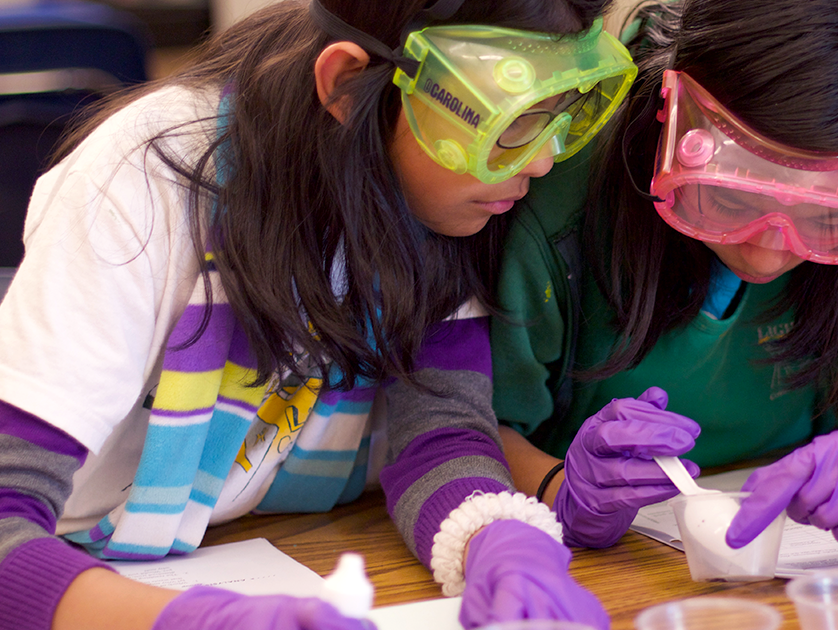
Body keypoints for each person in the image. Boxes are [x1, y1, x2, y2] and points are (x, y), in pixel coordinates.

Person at [0, 0, 636, 628]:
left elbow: (440, 430)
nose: (541, 161)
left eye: (553, 118)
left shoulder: (444, 197)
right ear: (347, 85)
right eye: (508, 121)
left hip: (268, 544)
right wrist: (191, 621)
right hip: (79, 565)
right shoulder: (139, 183)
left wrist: (497, 538)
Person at [490, 0, 838, 552]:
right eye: (731, 193)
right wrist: (558, 487)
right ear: (676, 113)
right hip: (594, 559)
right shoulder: (561, 176)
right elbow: (466, 417)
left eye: (827, 212)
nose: (766, 253)